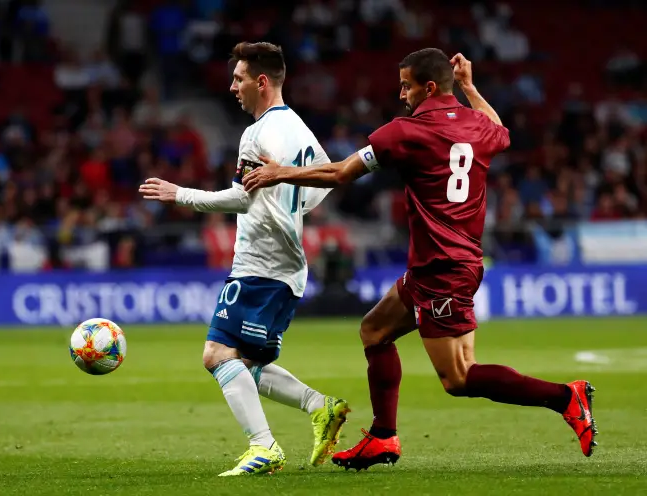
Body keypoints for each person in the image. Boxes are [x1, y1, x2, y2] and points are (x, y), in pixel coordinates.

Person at [243, 49, 597, 470]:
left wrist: (279, 172)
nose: (401, 94)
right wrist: (470, 86)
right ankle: (382, 437)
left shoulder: (405, 132)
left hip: (443, 270)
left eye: (406, 85)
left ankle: (565, 397)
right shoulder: (476, 124)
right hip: (445, 264)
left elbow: (340, 174)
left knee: (459, 377)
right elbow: (499, 128)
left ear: (428, 87)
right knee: (374, 330)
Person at [139, 42, 349, 476]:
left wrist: (179, 194)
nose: (232, 86)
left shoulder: (257, 133)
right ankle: (321, 407)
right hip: (287, 264)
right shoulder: (299, 129)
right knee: (246, 363)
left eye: (238, 79)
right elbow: (324, 180)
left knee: (217, 355)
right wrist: (287, 210)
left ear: (262, 81)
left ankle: (264, 447)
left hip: (262, 262)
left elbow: (239, 197)